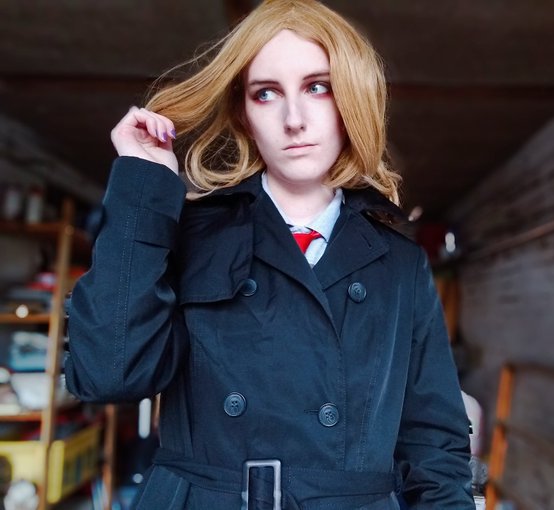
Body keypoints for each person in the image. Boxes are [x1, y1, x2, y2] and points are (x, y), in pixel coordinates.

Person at [64, 1, 475, 508]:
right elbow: (107, 375)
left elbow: (434, 445)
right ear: (245, 113)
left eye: (318, 87)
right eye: (266, 93)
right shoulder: (191, 235)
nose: (294, 119)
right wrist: (143, 188)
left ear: (351, 98)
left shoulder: (399, 263)